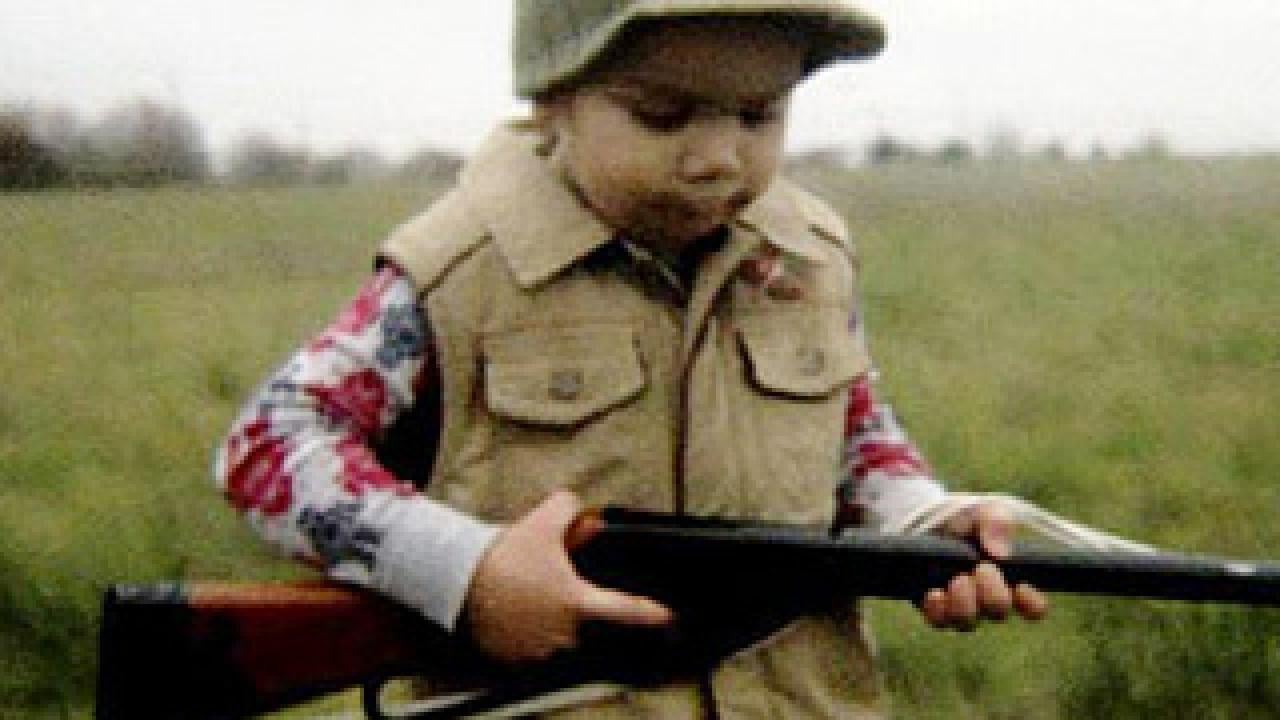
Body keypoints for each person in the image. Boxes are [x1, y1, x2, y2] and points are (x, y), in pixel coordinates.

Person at [214, 1, 1047, 717]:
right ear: (555, 98)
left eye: (759, 115)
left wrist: (921, 522)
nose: (719, 158)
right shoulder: (457, 274)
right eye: (662, 115)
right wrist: (466, 571)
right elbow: (271, 444)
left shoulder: (808, 262)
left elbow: (856, 439)